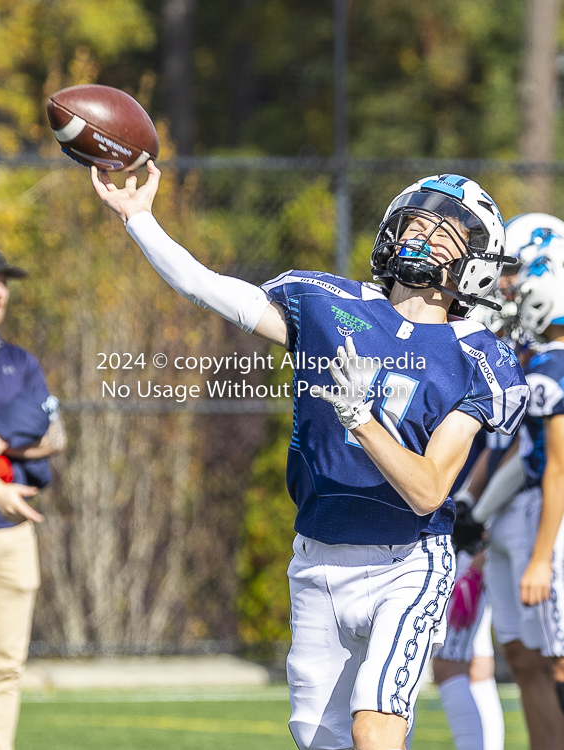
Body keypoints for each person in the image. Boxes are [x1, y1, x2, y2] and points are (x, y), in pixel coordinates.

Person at [91, 164, 528, 750]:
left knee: (375, 727)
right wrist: (139, 219)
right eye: (415, 226)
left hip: (409, 560)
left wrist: (361, 420)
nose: (421, 239)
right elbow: (208, 287)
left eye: (443, 233)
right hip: (319, 554)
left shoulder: (477, 357)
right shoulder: (328, 303)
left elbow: (428, 491)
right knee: (319, 740)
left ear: (472, 258)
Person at [0, 243, 66, 750]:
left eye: (4, 280)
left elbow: (57, 434)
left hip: (13, 533)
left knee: (4, 667)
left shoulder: (21, 362)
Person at [479, 244, 564, 750]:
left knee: (556, 658)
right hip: (522, 512)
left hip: (545, 522)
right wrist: (478, 509)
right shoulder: (540, 363)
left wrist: (539, 558)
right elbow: (523, 456)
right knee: (525, 654)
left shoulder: (553, 371)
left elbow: (557, 469)